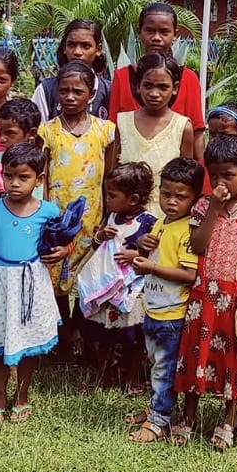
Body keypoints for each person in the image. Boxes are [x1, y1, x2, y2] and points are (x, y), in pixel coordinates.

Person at [173, 135, 237, 451]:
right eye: (213, 175)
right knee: (196, 353)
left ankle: (229, 418)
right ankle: (188, 414)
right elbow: (198, 246)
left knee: (235, 359)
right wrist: (213, 206)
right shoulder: (203, 206)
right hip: (204, 296)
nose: (220, 182)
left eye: (228, 174)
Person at [0, 143, 65, 424]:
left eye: (23, 177)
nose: (14, 183)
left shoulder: (48, 211)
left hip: (32, 284)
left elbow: (61, 242)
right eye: (8, 175)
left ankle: (22, 396)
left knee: (27, 343)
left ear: (39, 179)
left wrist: (64, 251)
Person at [122, 157, 203, 443]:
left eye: (181, 196)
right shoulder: (160, 223)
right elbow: (151, 254)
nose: (171, 202)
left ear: (195, 197)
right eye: (166, 194)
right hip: (154, 307)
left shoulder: (189, 231)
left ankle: (160, 419)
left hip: (173, 312)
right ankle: (156, 407)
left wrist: (151, 267)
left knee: (164, 367)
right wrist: (141, 247)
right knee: (155, 362)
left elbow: (188, 274)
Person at [39, 61, 116, 357]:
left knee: (86, 280)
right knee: (56, 279)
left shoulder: (105, 131)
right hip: (58, 218)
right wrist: (46, 218)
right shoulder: (47, 131)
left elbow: (109, 178)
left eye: (78, 91)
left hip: (91, 218)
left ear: (91, 94)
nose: (70, 97)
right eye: (64, 90)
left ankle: (85, 337)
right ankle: (61, 339)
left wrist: (107, 218)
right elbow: (42, 178)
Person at [81, 163, 157, 396]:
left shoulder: (147, 222)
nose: (108, 199)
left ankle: (132, 378)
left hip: (132, 289)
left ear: (133, 199)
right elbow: (96, 245)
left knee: (131, 335)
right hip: (108, 286)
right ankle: (103, 374)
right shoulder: (112, 216)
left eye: (112, 195)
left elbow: (156, 253)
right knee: (106, 333)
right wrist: (100, 236)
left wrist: (136, 255)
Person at [108, 3, 207, 157]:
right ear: (139, 32)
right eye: (150, 31)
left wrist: (203, 174)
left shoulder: (188, 78)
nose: (156, 38)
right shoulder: (122, 77)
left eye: (164, 32)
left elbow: (197, 132)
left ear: (175, 34)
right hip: (129, 173)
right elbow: (113, 130)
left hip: (174, 175)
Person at [108, 52, 196, 215]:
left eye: (163, 87)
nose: (154, 94)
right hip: (125, 221)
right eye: (148, 85)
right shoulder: (122, 123)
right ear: (137, 85)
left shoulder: (183, 127)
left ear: (175, 88)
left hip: (165, 220)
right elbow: (111, 175)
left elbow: (186, 181)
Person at [32, 19, 112, 121]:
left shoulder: (109, 91)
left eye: (86, 46)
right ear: (65, 48)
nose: (77, 52)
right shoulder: (46, 90)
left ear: (98, 50)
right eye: (71, 45)